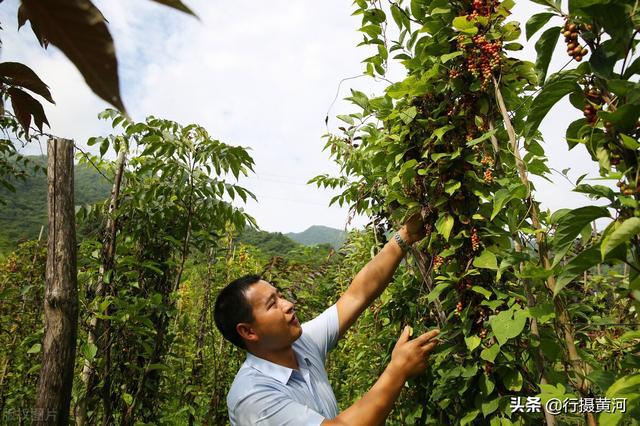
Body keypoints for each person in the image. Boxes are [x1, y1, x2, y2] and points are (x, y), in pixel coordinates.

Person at [214, 215, 440, 425]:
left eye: (280, 295)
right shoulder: (252, 396)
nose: (288, 304)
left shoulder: (300, 344)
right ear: (248, 332)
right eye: (272, 304)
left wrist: (405, 236)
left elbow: (356, 296)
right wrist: (397, 370)